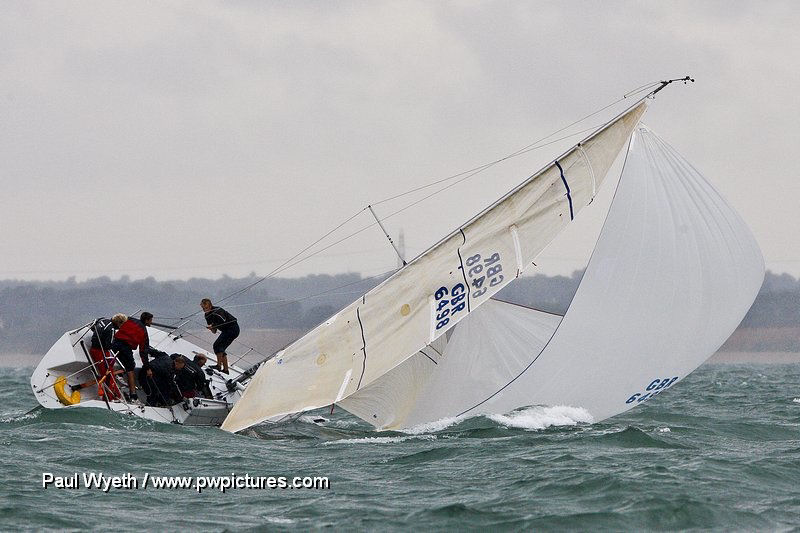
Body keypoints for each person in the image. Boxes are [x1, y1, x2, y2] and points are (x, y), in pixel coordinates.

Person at [109, 311, 153, 401]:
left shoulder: (130, 320)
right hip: (126, 347)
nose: (151, 322)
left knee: (121, 360)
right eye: (151, 320)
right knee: (130, 367)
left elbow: (118, 321)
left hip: (115, 343)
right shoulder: (144, 332)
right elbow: (143, 352)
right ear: (147, 320)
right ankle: (133, 394)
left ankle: (119, 375)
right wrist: (147, 368)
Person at [201, 299, 238, 374]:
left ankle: (218, 366)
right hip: (226, 330)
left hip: (233, 328)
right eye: (203, 308)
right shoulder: (207, 315)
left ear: (210, 306)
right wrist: (211, 328)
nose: (205, 310)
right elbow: (214, 331)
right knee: (220, 347)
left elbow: (223, 321)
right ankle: (226, 370)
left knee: (217, 345)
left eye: (206, 308)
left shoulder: (218, 311)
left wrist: (213, 325)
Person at [87, 316, 120, 399]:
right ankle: (110, 397)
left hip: (93, 349)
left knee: (108, 373)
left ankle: (112, 394)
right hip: (101, 352)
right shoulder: (112, 329)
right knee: (108, 374)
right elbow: (109, 345)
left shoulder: (103, 320)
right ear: (119, 323)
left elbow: (92, 327)